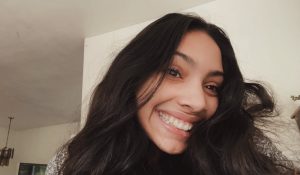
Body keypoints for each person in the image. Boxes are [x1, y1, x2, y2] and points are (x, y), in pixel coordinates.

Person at [46, 13, 295, 175]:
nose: (198, 102)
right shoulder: (72, 161)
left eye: (212, 87)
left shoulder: (238, 143)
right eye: (174, 72)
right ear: (133, 75)